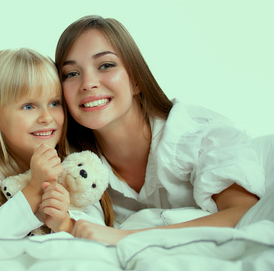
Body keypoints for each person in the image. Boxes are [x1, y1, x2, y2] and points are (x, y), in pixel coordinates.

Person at [54, 15, 266, 245]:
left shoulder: (194, 135)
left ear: (136, 79)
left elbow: (244, 213)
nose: (88, 82)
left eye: (106, 65)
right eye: (71, 74)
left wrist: (126, 238)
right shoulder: (75, 164)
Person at [0, 48, 107, 245]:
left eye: (54, 103)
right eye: (28, 106)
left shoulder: (72, 158)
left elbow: (98, 228)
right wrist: (34, 189)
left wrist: (65, 222)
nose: (46, 117)